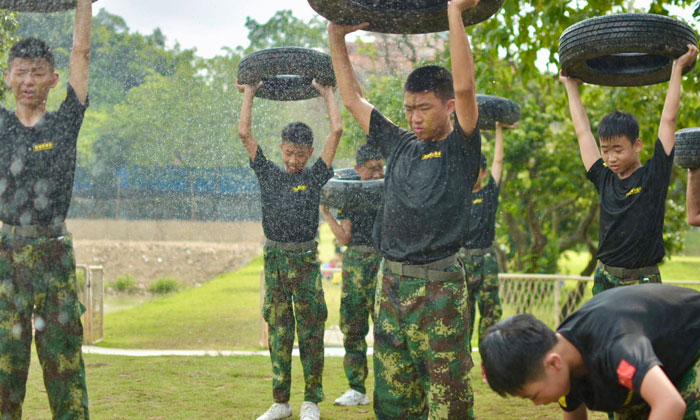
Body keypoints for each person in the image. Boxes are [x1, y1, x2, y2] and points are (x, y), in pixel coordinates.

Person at [328, 0, 482, 417]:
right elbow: (353, 97)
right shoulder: (398, 144)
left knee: (448, 403)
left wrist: (454, 12)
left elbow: (466, 87)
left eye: (424, 108)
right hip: (390, 285)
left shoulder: (461, 148)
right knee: (394, 402)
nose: (414, 117)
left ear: (448, 107)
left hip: (441, 289)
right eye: (409, 108)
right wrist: (336, 37)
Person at [0, 1, 93, 418]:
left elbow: (81, 54)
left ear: (53, 80)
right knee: (3, 370)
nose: (28, 80)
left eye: (38, 72)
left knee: (65, 367)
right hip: (6, 258)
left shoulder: (64, 124)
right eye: (20, 72)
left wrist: (84, 5)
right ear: (7, 78)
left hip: (54, 254)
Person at [237, 80, 342, 420]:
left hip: (305, 259)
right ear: (281, 149)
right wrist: (250, 92)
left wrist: (327, 93)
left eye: (300, 154)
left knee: (310, 330)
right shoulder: (268, 174)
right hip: (275, 260)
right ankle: (281, 402)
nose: (294, 159)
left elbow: (336, 130)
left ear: (309, 153)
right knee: (279, 330)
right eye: (289, 152)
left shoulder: (313, 178)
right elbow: (244, 134)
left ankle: (311, 400)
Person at [560, 44, 698, 295]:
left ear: (637, 145)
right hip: (605, 277)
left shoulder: (654, 176)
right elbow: (582, 133)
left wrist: (677, 68)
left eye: (618, 149)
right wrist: (571, 87)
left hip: (643, 281)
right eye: (605, 150)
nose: (611, 157)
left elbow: (669, 120)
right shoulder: (603, 178)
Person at [480, 284, 700, 420]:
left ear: (553, 364)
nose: (538, 404)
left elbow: (670, 403)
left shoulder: (617, 345)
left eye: (535, 396)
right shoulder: (561, 355)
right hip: (665, 362)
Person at [319, 143, 384, 407]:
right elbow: (345, 236)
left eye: (381, 167)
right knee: (353, 327)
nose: (379, 174)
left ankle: (388, 389)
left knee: (387, 328)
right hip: (356, 261)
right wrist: (326, 213)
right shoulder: (350, 194)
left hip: (385, 261)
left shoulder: (389, 191)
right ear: (358, 169)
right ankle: (356, 388)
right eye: (372, 169)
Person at [461, 121, 515, 347]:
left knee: (490, 312)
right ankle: (460, 362)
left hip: (486, 260)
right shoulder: (457, 193)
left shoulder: (489, 193)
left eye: (476, 170)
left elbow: (498, 161)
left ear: (483, 173)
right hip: (462, 260)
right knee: (462, 315)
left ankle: (488, 361)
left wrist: (499, 130)